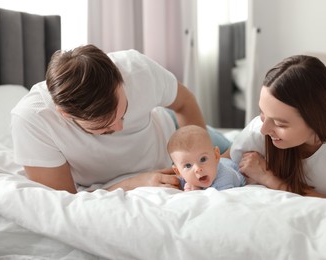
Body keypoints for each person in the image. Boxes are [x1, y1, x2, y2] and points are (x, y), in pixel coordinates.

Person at [11, 44, 209, 193]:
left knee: (236, 154)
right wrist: (132, 184)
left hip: (176, 137)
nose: (120, 127)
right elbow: (65, 203)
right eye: (105, 128)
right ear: (66, 115)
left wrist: (199, 157)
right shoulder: (33, 121)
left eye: (123, 113)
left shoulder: (137, 69)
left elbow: (185, 102)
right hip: (138, 179)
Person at [229, 55, 326, 204]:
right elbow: (219, 164)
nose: (264, 129)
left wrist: (269, 178)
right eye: (262, 112)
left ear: (315, 119)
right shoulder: (261, 131)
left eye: (280, 123)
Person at [167, 125, 246, 191]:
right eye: (188, 165)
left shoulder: (225, 177)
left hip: (231, 166)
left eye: (203, 159)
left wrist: (197, 191)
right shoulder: (185, 178)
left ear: (216, 155)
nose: (198, 168)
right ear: (178, 172)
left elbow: (217, 199)